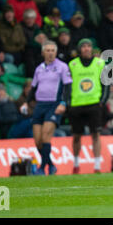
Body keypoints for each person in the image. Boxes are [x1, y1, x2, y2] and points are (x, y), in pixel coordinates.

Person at [20, 40, 72, 175]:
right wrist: (26, 102)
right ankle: (51, 164)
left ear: (56, 52)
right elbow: (33, 88)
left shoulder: (62, 67)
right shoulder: (39, 69)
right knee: (37, 141)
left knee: (45, 137)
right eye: (47, 50)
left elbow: (68, 87)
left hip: (54, 105)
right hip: (40, 105)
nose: (50, 53)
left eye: (52, 50)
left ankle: (42, 168)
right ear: (43, 52)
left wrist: (63, 103)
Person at [68, 38, 109, 174]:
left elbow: (106, 84)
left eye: (88, 46)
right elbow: (66, 86)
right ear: (80, 49)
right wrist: (68, 102)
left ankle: (97, 165)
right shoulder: (72, 64)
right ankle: (75, 164)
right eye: (83, 46)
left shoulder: (100, 63)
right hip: (76, 104)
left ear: (92, 48)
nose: (86, 48)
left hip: (94, 104)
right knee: (76, 136)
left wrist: (102, 101)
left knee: (96, 134)